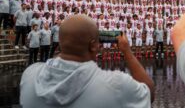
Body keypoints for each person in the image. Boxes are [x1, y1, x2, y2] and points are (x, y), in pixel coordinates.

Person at [20, 15, 154, 108]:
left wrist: (68, 44)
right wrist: (127, 52)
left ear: (60, 42)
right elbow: (148, 93)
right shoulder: (116, 84)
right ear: (93, 45)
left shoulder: (30, 74)